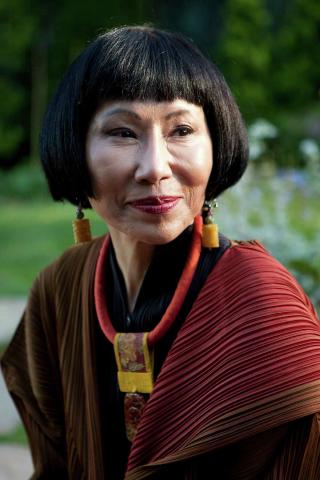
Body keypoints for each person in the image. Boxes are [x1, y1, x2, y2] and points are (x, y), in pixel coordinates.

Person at [1, 25, 320, 480]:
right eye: (123, 132)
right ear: (74, 148)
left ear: (217, 144)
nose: (155, 168)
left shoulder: (263, 304)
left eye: (182, 130)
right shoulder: (60, 289)